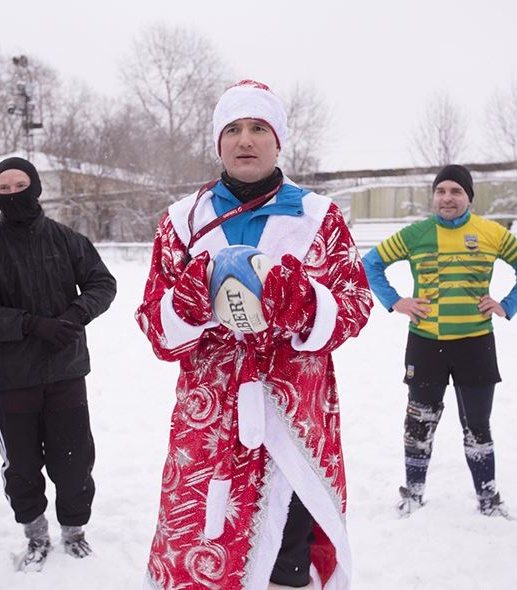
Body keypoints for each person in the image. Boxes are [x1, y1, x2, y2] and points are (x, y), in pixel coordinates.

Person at [134, 80, 372, 590]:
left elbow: (355, 305)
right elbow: (155, 327)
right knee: (202, 540)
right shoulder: (181, 220)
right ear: (219, 143)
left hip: (293, 417)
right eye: (234, 129)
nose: (246, 139)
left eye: (258, 128)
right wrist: (189, 303)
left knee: (288, 555)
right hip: (210, 419)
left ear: (278, 140)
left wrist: (306, 306)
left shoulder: (318, 217)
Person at [0, 156, 117, 572]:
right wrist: (30, 325)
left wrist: (73, 316)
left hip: (66, 371)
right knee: (23, 464)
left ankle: (74, 529)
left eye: (19, 185)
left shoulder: (68, 240)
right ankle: (34, 532)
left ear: (36, 187)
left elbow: (103, 283)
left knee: (74, 457)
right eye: (3, 188)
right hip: (11, 378)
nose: (12, 194)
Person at [362, 164, 517, 519]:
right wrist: (397, 301)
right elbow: (370, 264)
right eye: (441, 190)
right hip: (425, 343)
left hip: (476, 345)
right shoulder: (417, 234)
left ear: (469, 198)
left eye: (456, 191)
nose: (447, 197)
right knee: (419, 422)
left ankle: (488, 499)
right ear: (434, 196)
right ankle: (413, 494)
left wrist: (506, 305)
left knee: (477, 424)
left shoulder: (490, 232)